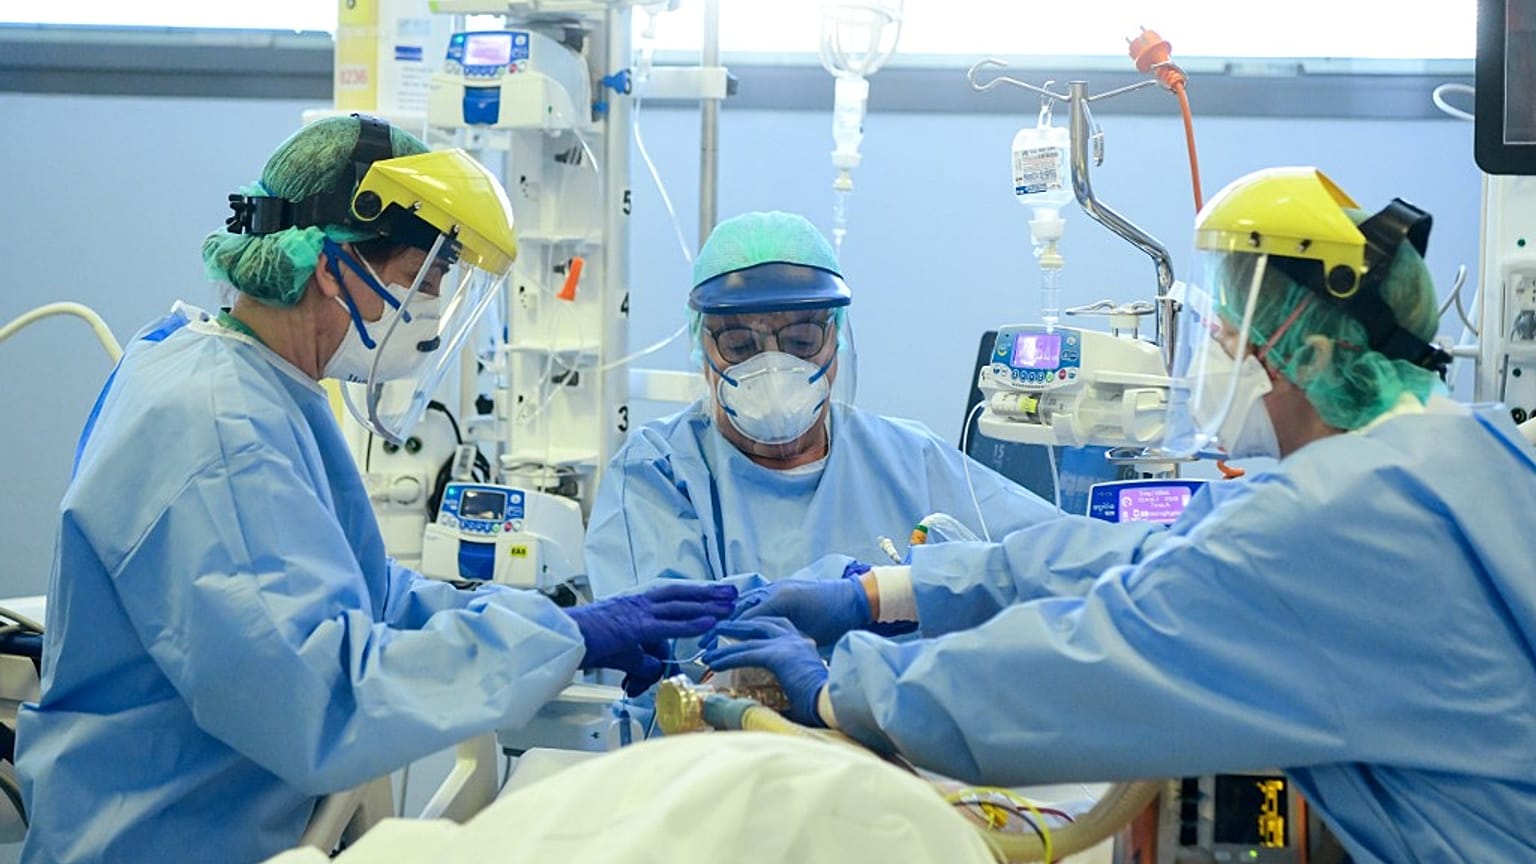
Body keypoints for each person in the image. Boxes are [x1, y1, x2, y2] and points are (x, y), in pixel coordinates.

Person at [702, 168, 1536, 862]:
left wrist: (841, 693)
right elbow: (1160, 552)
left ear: (1309, 351)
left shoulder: (1334, 521)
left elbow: (1081, 668)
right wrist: (887, 591)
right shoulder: (1464, 454)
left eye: (1221, 329)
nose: (1203, 350)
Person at [16, 115, 736, 864]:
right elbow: (321, 694)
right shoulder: (219, 428)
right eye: (422, 283)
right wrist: (564, 638)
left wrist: (562, 629)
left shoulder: (236, 378)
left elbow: (366, 593)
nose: (429, 315)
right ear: (333, 267)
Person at [584, 210, 1057, 600]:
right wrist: (864, 595)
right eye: (740, 345)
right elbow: (675, 653)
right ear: (701, 346)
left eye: (801, 340)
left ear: (836, 339)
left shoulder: (909, 459)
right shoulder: (659, 474)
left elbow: (1062, 556)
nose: (773, 367)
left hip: (891, 713)